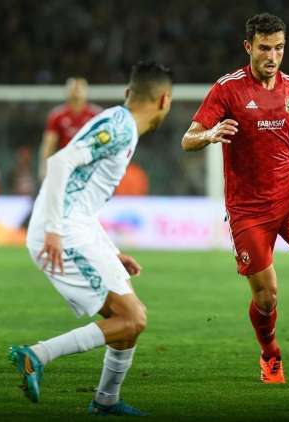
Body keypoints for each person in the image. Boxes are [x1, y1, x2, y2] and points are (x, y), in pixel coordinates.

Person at [181, 13, 289, 384]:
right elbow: (188, 139)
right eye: (265, 48)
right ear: (248, 47)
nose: (272, 56)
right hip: (248, 209)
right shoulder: (227, 89)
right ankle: (270, 353)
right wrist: (209, 135)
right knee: (267, 298)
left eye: (279, 48)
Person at [9, 61, 173, 416]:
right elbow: (58, 164)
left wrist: (112, 251)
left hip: (77, 227)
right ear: (165, 100)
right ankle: (36, 355)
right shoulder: (119, 128)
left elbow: (82, 198)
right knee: (132, 318)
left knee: (129, 320)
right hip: (63, 231)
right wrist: (54, 229)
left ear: (128, 93)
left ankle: (106, 400)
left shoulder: (121, 126)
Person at [38, 77, 102, 180]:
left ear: (86, 92)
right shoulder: (57, 115)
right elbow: (49, 144)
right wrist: (44, 167)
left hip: (90, 166)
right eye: (73, 88)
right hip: (66, 166)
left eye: (79, 88)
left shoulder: (96, 115)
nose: (76, 92)